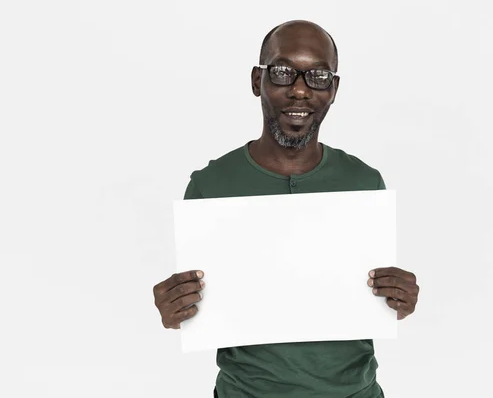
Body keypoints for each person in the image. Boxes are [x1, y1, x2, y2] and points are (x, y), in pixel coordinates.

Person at [153, 20, 420, 398]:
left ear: (334, 89)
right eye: (282, 73)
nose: (299, 90)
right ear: (256, 81)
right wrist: (173, 310)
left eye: (318, 76)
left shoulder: (365, 183)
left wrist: (399, 299)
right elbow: (201, 308)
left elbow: (369, 300)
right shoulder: (210, 186)